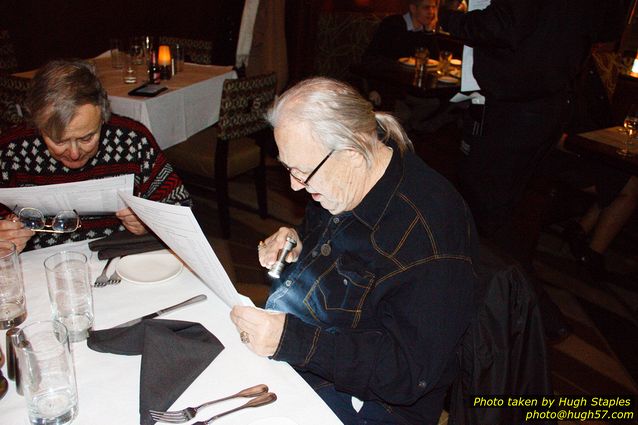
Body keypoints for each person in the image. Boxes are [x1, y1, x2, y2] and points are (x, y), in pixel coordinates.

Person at [230, 77, 477, 424]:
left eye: (302, 171)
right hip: (306, 347)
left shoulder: (428, 235)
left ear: (353, 150)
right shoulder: (344, 178)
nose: (294, 186)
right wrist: (299, 242)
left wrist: (290, 341)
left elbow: (408, 374)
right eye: (288, 168)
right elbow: (332, 242)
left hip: (372, 400)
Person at [0, 59, 191, 253]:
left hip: (119, 259)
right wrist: (4, 236)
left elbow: (181, 208)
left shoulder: (131, 140)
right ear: (38, 126)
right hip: (39, 266)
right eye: (59, 141)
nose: (74, 154)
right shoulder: (10, 150)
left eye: (87, 137)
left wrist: (152, 223)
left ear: (103, 117)